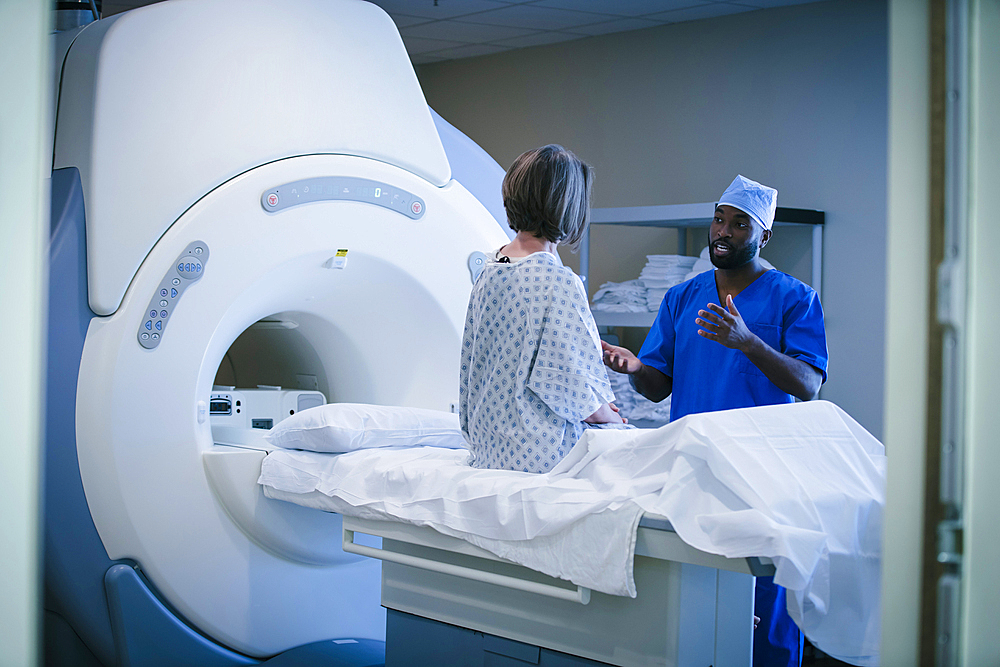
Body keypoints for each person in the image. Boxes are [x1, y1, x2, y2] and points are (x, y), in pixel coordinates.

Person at [601, 175, 828, 667]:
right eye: (719, 220)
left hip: (762, 476)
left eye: (739, 224)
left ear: (763, 236)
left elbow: (808, 384)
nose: (723, 232)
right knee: (695, 596)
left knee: (763, 603)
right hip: (694, 469)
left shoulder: (795, 299)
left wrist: (749, 342)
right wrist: (636, 368)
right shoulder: (683, 297)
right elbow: (659, 384)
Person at [459, 144, 626, 474]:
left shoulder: (488, 270)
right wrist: (609, 414)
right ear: (570, 207)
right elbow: (573, 390)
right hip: (539, 454)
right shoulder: (557, 281)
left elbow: (472, 367)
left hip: (488, 449)